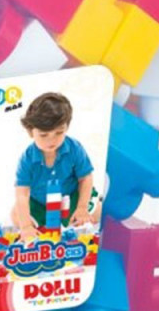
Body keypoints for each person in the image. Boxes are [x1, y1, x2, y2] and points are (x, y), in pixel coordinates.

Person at [12, 92, 96, 242]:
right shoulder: (27, 159)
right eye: (44, 135)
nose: (52, 140)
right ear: (31, 132)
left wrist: (82, 208)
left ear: (67, 127)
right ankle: (38, 226)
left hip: (69, 198)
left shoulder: (74, 148)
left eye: (59, 132)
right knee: (15, 215)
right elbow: (22, 194)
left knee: (98, 211)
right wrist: (26, 226)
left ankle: (73, 221)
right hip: (40, 203)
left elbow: (85, 178)